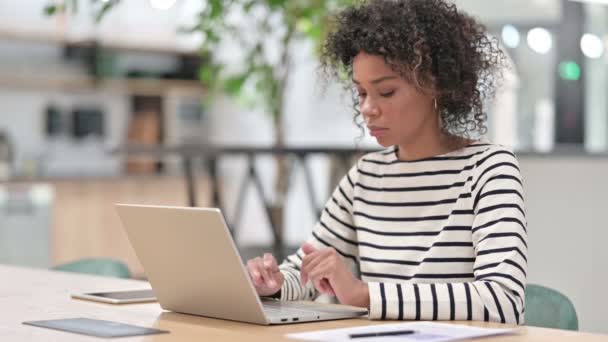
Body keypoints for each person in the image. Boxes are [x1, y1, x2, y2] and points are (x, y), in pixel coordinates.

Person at [246, 0, 526, 324]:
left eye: (386, 92)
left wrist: (366, 295)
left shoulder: (489, 169)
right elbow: (306, 271)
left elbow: (502, 300)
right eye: (361, 93)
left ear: (435, 83)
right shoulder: (366, 177)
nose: (367, 108)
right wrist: (274, 284)